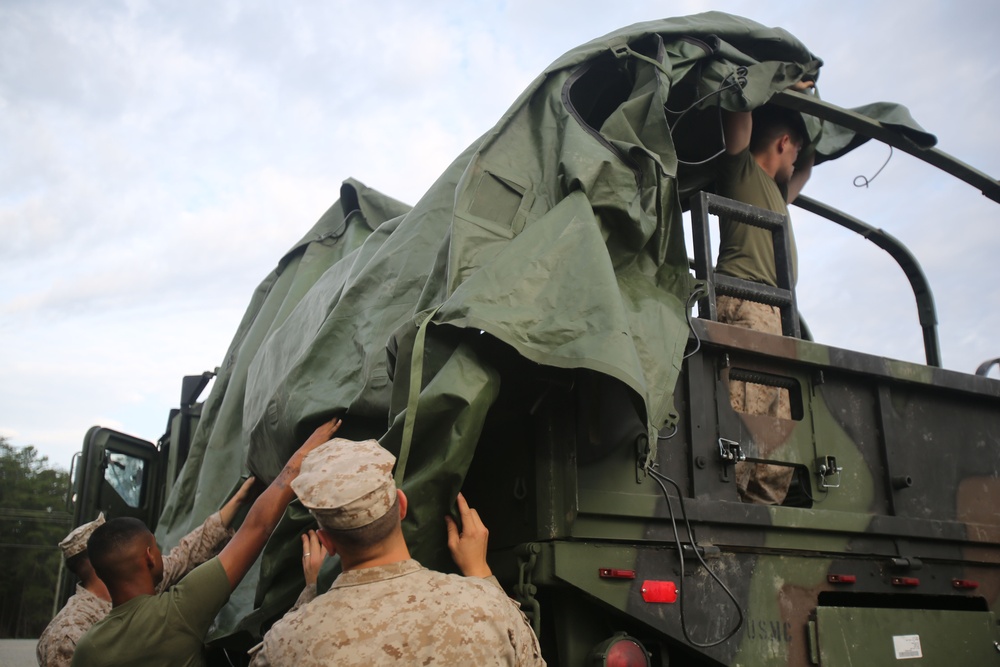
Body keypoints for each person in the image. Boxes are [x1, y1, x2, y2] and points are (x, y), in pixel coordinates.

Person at [69, 417, 343, 667]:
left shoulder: (87, 648)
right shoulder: (176, 613)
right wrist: (303, 453)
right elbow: (257, 527)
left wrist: (235, 502)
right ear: (149, 557)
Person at [248, 438, 545, 666]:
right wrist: (482, 576)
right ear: (402, 505)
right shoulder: (488, 608)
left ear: (327, 542)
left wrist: (308, 595)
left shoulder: (284, 644)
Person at [716, 82, 814, 505]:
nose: (798, 162)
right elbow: (739, 112)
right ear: (783, 142)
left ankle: (760, 513)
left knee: (778, 437)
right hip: (747, 303)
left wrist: (810, 101)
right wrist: (775, 82)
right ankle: (728, 504)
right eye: (794, 151)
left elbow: (808, 166)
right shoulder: (741, 170)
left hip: (775, 314)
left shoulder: (777, 194)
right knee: (747, 422)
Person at [37, 476, 255, 667]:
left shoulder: (140, 579)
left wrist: (238, 500)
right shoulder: (68, 633)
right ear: (101, 560)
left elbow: (187, 553)